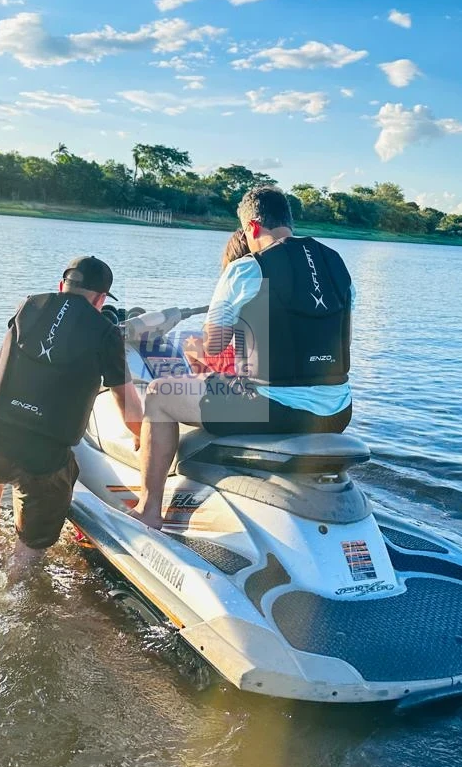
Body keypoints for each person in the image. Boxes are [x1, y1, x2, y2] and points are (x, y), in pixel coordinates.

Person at [133, 186, 353, 529]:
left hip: (273, 410)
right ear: (288, 221)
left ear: (251, 228)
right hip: (339, 412)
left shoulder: (247, 268)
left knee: (159, 394)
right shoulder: (335, 263)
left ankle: (148, 510)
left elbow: (216, 345)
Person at [0, 255, 143, 579]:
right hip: (41, 462)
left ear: (62, 286)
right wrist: (141, 437)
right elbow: (127, 403)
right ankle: (13, 582)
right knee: (30, 555)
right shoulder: (105, 332)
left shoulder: (28, 306)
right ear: (101, 298)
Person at [182, 229, 249, 376]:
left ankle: (207, 384)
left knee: (190, 344)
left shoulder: (235, 279)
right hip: (268, 360)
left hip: (238, 363)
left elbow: (212, 344)